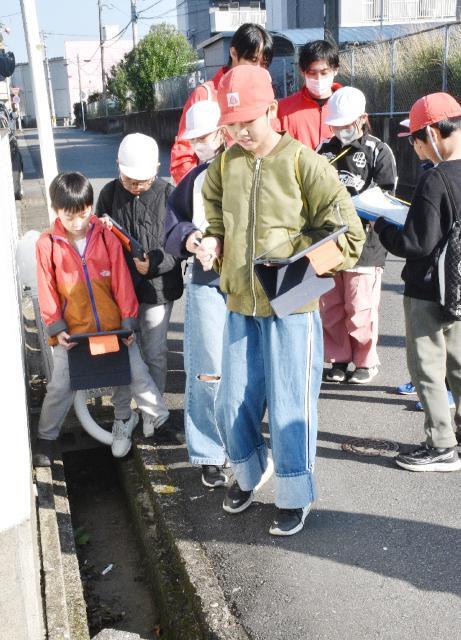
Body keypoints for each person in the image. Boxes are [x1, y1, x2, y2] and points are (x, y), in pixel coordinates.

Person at [196, 65, 365, 535]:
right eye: (230, 127)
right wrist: (212, 239)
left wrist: (300, 268)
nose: (238, 134)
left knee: (292, 404)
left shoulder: (303, 162)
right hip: (239, 303)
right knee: (232, 401)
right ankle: (250, 472)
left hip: (292, 305)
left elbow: (348, 234)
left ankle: (295, 493)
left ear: (272, 110)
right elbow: (211, 206)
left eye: (246, 123)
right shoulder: (226, 162)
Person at [33, 172, 170, 466]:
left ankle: (160, 419)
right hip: (73, 334)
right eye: (70, 217)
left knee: (137, 374)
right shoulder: (48, 244)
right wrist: (56, 328)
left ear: (91, 207)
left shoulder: (105, 235)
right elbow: (47, 289)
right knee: (61, 386)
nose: (78, 222)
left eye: (83, 214)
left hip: (112, 329)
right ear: (56, 211)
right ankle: (46, 437)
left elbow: (121, 280)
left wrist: (128, 321)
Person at [375, 92, 461, 471]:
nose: (413, 146)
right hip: (459, 288)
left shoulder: (434, 180)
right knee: (459, 364)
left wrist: (382, 226)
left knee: (427, 367)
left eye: (415, 138)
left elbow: (415, 243)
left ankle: (441, 444)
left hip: (428, 289)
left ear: (433, 133)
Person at [96, 133, 184, 443]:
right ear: (118, 166)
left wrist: (157, 263)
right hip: (121, 291)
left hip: (159, 288)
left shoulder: (169, 194)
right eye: (130, 180)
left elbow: (181, 245)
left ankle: (152, 413)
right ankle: (125, 414)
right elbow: (98, 243)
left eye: (143, 181)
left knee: (155, 352)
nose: (136, 186)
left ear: (157, 169)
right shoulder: (108, 194)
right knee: (123, 353)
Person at [164, 100, 228, 488]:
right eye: (195, 139)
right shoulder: (197, 177)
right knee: (207, 368)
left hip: (251, 281)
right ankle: (208, 453)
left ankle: (242, 443)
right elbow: (173, 221)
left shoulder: (255, 168)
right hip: (206, 278)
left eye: (203, 137)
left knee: (248, 369)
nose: (199, 145)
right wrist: (191, 239)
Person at [317, 87, 397, 384]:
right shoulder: (323, 149)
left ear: (362, 119)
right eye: (336, 125)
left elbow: (386, 195)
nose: (340, 130)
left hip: (365, 242)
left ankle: (365, 360)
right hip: (327, 240)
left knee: (360, 305)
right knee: (331, 305)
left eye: (346, 124)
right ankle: (339, 358)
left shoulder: (379, 150)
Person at [170, 23, 273, 185]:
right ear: (233, 52)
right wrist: (199, 194)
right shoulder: (206, 95)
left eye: (264, 64)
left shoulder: (264, 96)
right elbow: (182, 156)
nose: (258, 69)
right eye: (253, 60)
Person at [277, 39, 341, 149]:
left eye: (324, 73)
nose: (318, 78)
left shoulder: (349, 106)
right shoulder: (283, 110)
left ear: (335, 70)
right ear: (302, 72)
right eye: (312, 73)